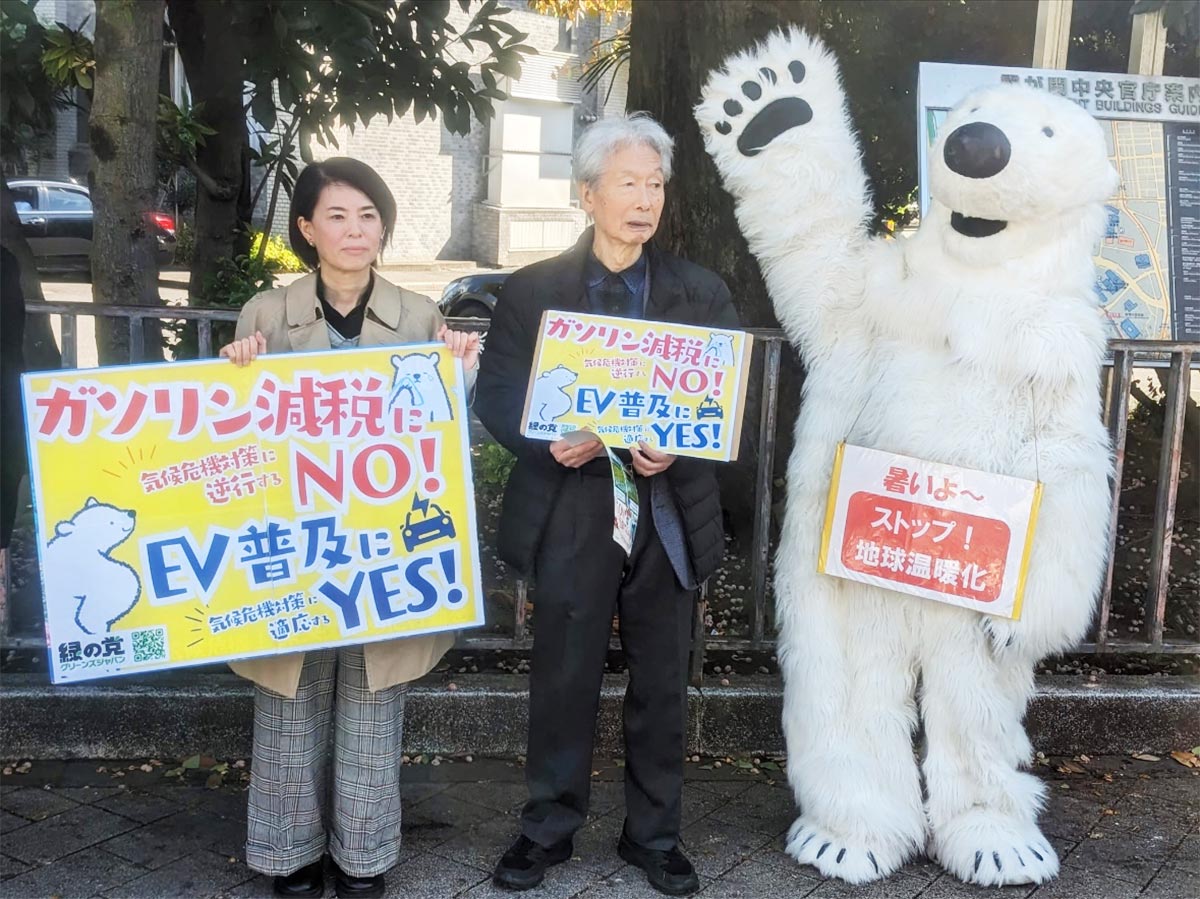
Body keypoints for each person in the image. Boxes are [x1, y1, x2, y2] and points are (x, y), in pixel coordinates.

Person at [477, 114, 738, 896]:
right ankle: (546, 828)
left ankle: (653, 834)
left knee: (661, 677)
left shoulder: (699, 290)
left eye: (655, 184)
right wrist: (547, 439)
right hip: (575, 497)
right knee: (563, 669)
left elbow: (727, 400)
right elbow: (496, 393)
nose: (645, 199)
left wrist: (682, 446)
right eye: (628, 182)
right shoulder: (533, 290)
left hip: (664, 499)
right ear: (588, 193)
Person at [219, 158, 479, 899]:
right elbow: (231, 443)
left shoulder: (425, 317)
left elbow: (445, 447)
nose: (355, 230)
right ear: (305, 228)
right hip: (293, 551)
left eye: (369, 215)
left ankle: (362, 856)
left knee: (371, 706)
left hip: (384, 552)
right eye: (336, 215)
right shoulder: (265, 317)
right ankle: (290, 853)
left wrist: (456, 378)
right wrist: (232, 376)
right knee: (289, 705)